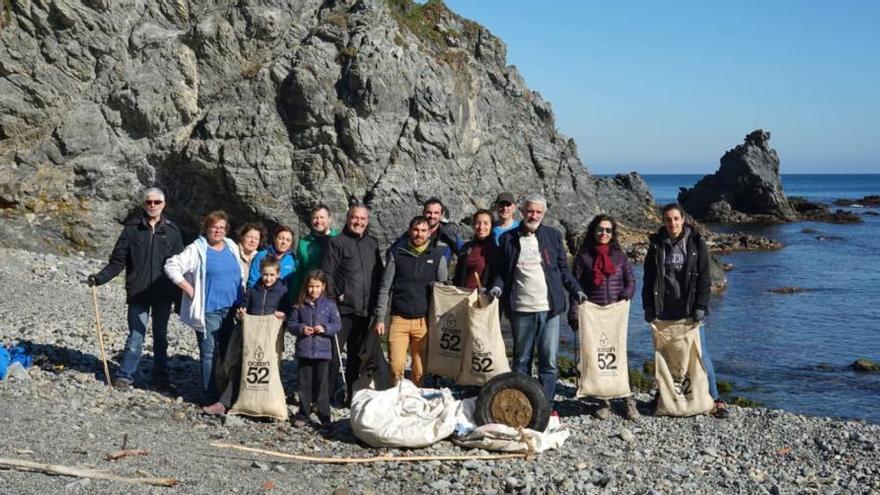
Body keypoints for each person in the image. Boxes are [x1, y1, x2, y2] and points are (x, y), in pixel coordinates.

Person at [488, 193, 586, 410]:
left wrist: (577, 290)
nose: (534, 215)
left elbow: (562, 270)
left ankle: (546, 405)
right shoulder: (508, 239)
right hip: (521, 309)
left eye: (538, 212)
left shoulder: (553, 235)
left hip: (550, 309)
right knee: (521, 361)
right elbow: (502, 273)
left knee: (548, 362)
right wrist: (496, 288)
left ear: (544, 213)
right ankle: (519, 404)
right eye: (530, 211)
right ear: (522, 211)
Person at [87, 187, 183, 391]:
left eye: (157, 202)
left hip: (163, 294)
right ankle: (125, 376)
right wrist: (99, 278)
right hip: (138, 294)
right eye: (149, 202)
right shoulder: (131, 230)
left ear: (164, 204)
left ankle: (161, 378)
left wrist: (180, 300)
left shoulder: (173, 232)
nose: (153, 206)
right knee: (135, 338)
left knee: (160, 338)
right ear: (144, 204)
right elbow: (118, 261)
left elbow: (181, 267)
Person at [642, 203, 728, 418]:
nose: (672, 223)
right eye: (668, 219)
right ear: (664, 221)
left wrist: (701, 305)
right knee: (667, 356)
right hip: (664, 310)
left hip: (689, 310)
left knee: (700, 355)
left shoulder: (696, 243)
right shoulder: (656, 245)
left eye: (676, 219)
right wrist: (648, 307)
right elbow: (648, 279)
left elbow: (705, 277)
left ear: (683, 220)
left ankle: (714, 398)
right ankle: (667, 397)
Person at [164, 210, 242, 404]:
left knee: (228, 351)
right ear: (206, 228)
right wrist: (189, 289)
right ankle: (210, 396)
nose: (218, 231)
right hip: (209, 309)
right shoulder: (197, 249)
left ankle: (225, 395)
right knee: (209, 354)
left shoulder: (231, 245)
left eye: (222, 227)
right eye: (214, 227)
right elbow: (171, 266)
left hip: (232, 308)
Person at [569, 214, 639, 420]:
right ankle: (603, 401)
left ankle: (627, 400)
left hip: (615, 315)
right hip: (593, 314)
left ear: (613, 233)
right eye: (600, 229)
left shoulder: (620, 256)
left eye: (608, 230)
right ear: (593, 230)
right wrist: (574, 313)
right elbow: (576, 286)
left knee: (620, 356)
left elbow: (631, 281)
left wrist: (626, 294)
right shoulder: (584, 257)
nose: (604, 233)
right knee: (597, 356)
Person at [202, 257, 289, 415]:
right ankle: (225, 403)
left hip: (270, 340)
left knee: (271, 370)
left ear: (278, 274)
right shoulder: (253, 290)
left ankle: (270, 405)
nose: (267, 278)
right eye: (264, 274)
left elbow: (288, 311)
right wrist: (241, 313)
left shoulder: (282, 292)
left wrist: (284, 315)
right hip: (251, 338)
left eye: (271, 275)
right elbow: (244, 306)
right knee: (242, 368)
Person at [320, 205, 384, 404]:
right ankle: (324, 398)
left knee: (357, 357)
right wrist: (336, 294)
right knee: (332, 356)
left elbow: (379, 275)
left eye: (363, 218)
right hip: (342, 310)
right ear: (348, 219)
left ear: (367, 220)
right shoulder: (336, 242)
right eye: (355, 218)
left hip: (365, 311)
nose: (359, 222)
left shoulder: (372, 243)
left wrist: (378, 307)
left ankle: (352, 395)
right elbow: (327, 273)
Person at [374, 216, 448, 386]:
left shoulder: (437, 257)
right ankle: (396, 400)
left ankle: (414, 402)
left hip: (424, 322)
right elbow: (385, 287)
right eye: (416, 230)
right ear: (409, 231)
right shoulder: (396, 254)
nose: (419, 234)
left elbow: (444, 291)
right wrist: (380, 318)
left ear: (429, 233)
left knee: (420, 370)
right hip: (398, 319)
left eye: (423, 231)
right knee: (396, 367)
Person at [288, 270, 342, 427]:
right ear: (306, 286)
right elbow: (291, 325)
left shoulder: (330, 305)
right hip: (304, 351)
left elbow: (337, 325)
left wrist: (325, 328)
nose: (314, 290)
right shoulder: (299, 305)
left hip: (323, 352)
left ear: (323, 286)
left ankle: (324, 415)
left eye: (317, 286)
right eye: (311, 286)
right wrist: (301, 328)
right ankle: (303, 413)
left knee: (322, 385)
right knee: (304, 385)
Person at [288, 205, 339, 299]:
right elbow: (298, 272)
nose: (318, 221)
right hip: (311, 295)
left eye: (322, 217)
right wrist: (294, 299)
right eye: (315, 218)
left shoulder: (339, 239)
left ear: (330, 219)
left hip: (335, 295)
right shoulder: (304, 243)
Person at [453, 209, 497, 289]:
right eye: (478, 223)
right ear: (473, 225)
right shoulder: (466, 247)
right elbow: (458, 275)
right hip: (463, 295)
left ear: (492, 226)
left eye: (485, 223)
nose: (481, 227)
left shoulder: (495, 250)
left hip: (483, 297)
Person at [236, 222, 266, 288]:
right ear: (242, 237)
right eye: (249, 237)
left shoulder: (259, 258)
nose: (252, 241)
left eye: (256, 239)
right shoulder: (233, 253)